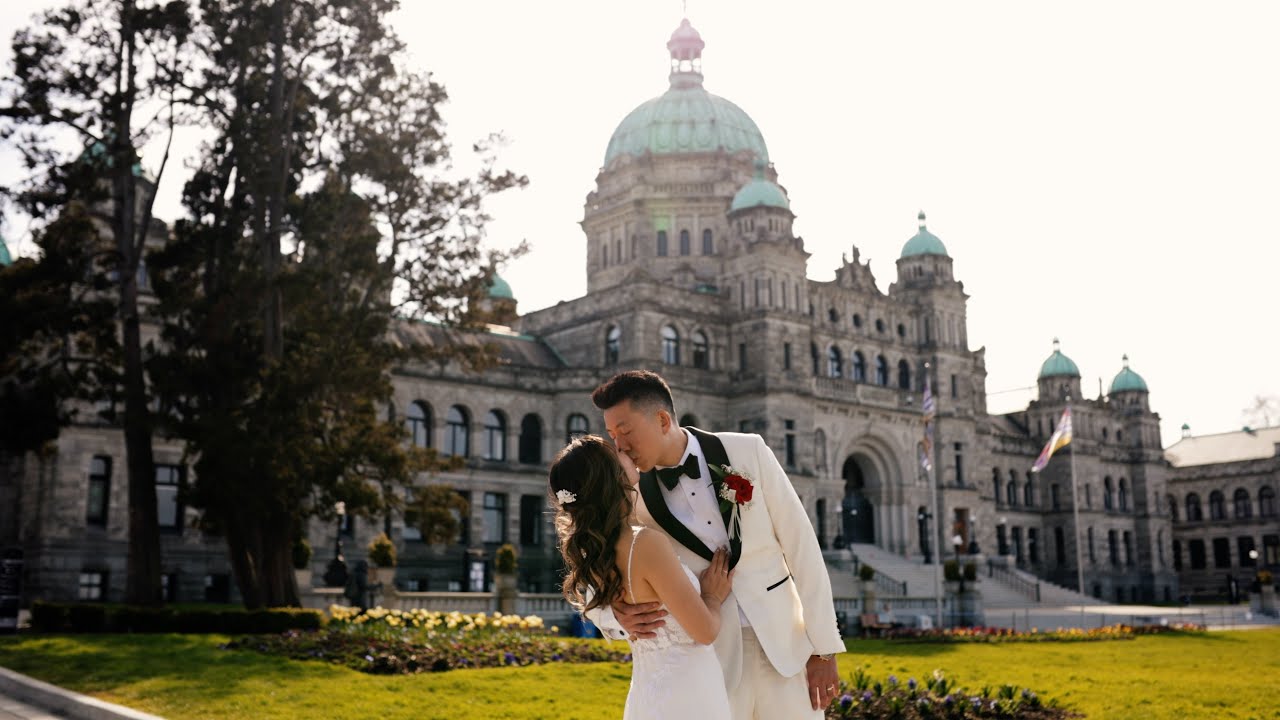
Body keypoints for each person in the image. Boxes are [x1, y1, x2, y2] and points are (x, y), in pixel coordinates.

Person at [587, 370, 845, 718]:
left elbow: (802, 547)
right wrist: (613, 614)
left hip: (787, 648)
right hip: (708, 665)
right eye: (612, 436)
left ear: (662, 420)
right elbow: (592, 558)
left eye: (626, 431)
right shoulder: (629, 493)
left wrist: (824, 649)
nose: (620, 446)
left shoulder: (747, 450)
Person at [549, 434, 735, 719]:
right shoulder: (646, 544)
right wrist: (711, 596)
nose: (623, 449)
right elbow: (705, 632)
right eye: (615, 453)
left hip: (648, 693)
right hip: (688, 696)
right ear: (612, 476)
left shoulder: (596, 553)